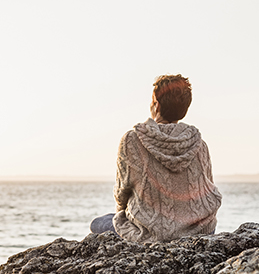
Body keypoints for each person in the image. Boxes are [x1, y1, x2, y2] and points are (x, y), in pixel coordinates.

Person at [90, 74, 222, 243]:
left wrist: (128, 219)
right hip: (198, 232)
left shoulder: (132, 140)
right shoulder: (199, 144)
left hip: (151, 235)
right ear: (185, 108)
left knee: (98, 223)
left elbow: (122, 193)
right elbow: (207, 191)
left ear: (155, 104)